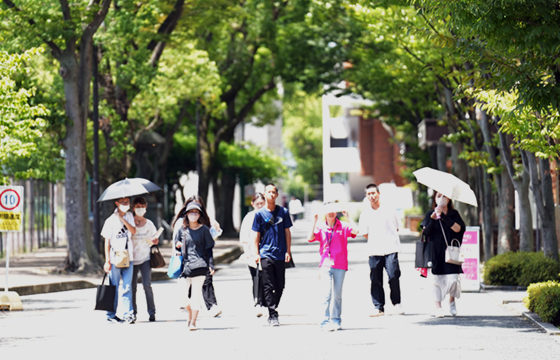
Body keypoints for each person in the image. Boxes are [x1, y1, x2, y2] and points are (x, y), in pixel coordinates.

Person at [308, 203, 358, 331]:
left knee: (337, 294)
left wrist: (347, 217)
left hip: (340, 264)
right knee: (326, 294)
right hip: (325, 263)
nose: (331, 213)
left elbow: (356, 231)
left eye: (333, 211)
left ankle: (336, 320)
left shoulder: (343, 226)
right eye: (328, 211)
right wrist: (314, 221)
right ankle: (324, 322)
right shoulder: (321, 227)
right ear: (325, 212)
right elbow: (310, 237)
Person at [358, 183, 404, 316]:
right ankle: (378, 307)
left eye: (374, 193)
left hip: (391, 247)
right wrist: (375, 239)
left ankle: (397, 302)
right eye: (369, 194)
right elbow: (365, 233)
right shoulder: (365, 214)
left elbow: (396, 227)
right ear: (366, 196)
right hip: (374, 249)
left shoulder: (389, 209)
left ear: (378, 194)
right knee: (375, 278)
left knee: (394, 275)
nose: (372, 196)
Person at [172, 196, 222, 317]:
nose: (194, 213)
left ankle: (209, 307)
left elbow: (212, 239)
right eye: (191, 210)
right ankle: (188, 306)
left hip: (201, 258)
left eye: (196, 210)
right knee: (186, 288)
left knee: (206, 282)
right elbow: (175, 240)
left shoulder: (205, 224)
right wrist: (178, 248)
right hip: (186, 260)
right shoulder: (181, 224)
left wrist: (211, 264)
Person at [252, 183, 293, 326]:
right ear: (264, 194)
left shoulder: (283, 212)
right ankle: (272, 313)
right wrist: (256, 253)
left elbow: (287, 232)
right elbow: (256, 235)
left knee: (280, 285)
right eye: (268, 192)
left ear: (276, 195)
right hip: (265, 254)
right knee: (268, 284)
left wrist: (288, 251)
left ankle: (271, 304)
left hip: (280, 253)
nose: (270, 194)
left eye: (273, 192)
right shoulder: (259, 214)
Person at [420, 191, 466, 318]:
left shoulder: (454, 214)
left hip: (451, 252)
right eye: (438, 196)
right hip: (435, 252)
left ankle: (451, 301)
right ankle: (438, 307)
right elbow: (425, 233)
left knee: (453, 280)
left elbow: (458, 229)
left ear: (449, 199)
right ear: (434, 198)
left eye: (444, 196)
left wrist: (444, 217)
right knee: (435, 280)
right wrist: (433, 219)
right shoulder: (430, 214)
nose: (441, 198)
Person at [101, 197, 137, 324]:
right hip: (115, 256)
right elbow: (107, 242)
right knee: (113, 286)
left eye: (128, 202)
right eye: (123, 202)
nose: (126, 204)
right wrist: (107, 260)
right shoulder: (110, 220)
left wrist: (123, 219)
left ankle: (128, 314)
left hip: (128, 256)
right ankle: (111, 314)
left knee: (127, 287)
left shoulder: (129, 216)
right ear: (117, 203)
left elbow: (133, 231)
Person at [130, 196, 159, 322]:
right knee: (132, 287)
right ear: (133, 208)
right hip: (131, 259)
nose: (140, 209)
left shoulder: (150, 224)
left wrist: (154, 241)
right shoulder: (129, 222)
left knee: (147, 285)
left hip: (145, 258)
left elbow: (155, 239)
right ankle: (133, 312)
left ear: (146, 207)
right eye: (137, 207)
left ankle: (152, 312)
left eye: (142, 207)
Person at [239, 192, 266, 316]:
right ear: (252, 204)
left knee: (267, 278)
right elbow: (244, 236)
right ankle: (258, 302)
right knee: (256, 277)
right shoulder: (249, 217)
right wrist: (247, 253)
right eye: (257, 203)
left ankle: (266, 303)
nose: (260, 205)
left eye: (262, 203)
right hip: (252, 252)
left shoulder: (269, 215)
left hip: (266, 252)